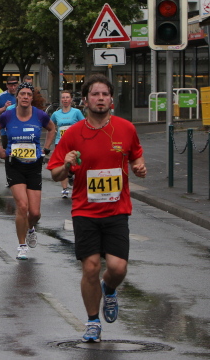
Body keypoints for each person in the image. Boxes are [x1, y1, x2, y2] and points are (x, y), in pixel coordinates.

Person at [47, 74, 146, 343]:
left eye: (104, 94)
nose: (100, 98)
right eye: (95, 94)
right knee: (90, 268)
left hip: (117, 210)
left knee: (118, 268)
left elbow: (136, 155)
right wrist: (66, 165)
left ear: (111, 99)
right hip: (84, 210)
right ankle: (92, 322)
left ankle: (109, 288)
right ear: (85, 100)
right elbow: (55, 174)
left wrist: (139, 167)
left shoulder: (126, 128)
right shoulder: (73, 134)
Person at [0, 82, 55, 261]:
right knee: (22, 206)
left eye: (29, 94)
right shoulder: (8, 115)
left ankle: (31, 228)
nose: (25, 97)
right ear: (17, 97)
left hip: (34, 165)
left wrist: (46, 148)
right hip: (14, 165)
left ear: (32, 98)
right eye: (22, 94)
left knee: (34, 213)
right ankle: (22, 245)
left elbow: (52, 129)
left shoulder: (40, 115)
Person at [50, 91, 85, 198]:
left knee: (76, 163)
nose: (65, 99)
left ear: (71, 100)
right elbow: (50, 125)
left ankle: (72, 177)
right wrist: (54, 131)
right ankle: (65, 189)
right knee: (62, 164)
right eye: (63, 98)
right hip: (60, 142)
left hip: (74, 143)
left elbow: (84, 124)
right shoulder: (56, 114)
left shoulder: (76, 112)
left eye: (67, 97)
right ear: (61, 100)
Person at [0, 76, 19, 158]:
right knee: (7, 155)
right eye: (11, 85)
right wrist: (4, 108)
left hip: (20, 130)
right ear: (7, 85)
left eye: (15, 85)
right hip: (6, 131)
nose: (13, 87)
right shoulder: (2, 96)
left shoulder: (21, 95)